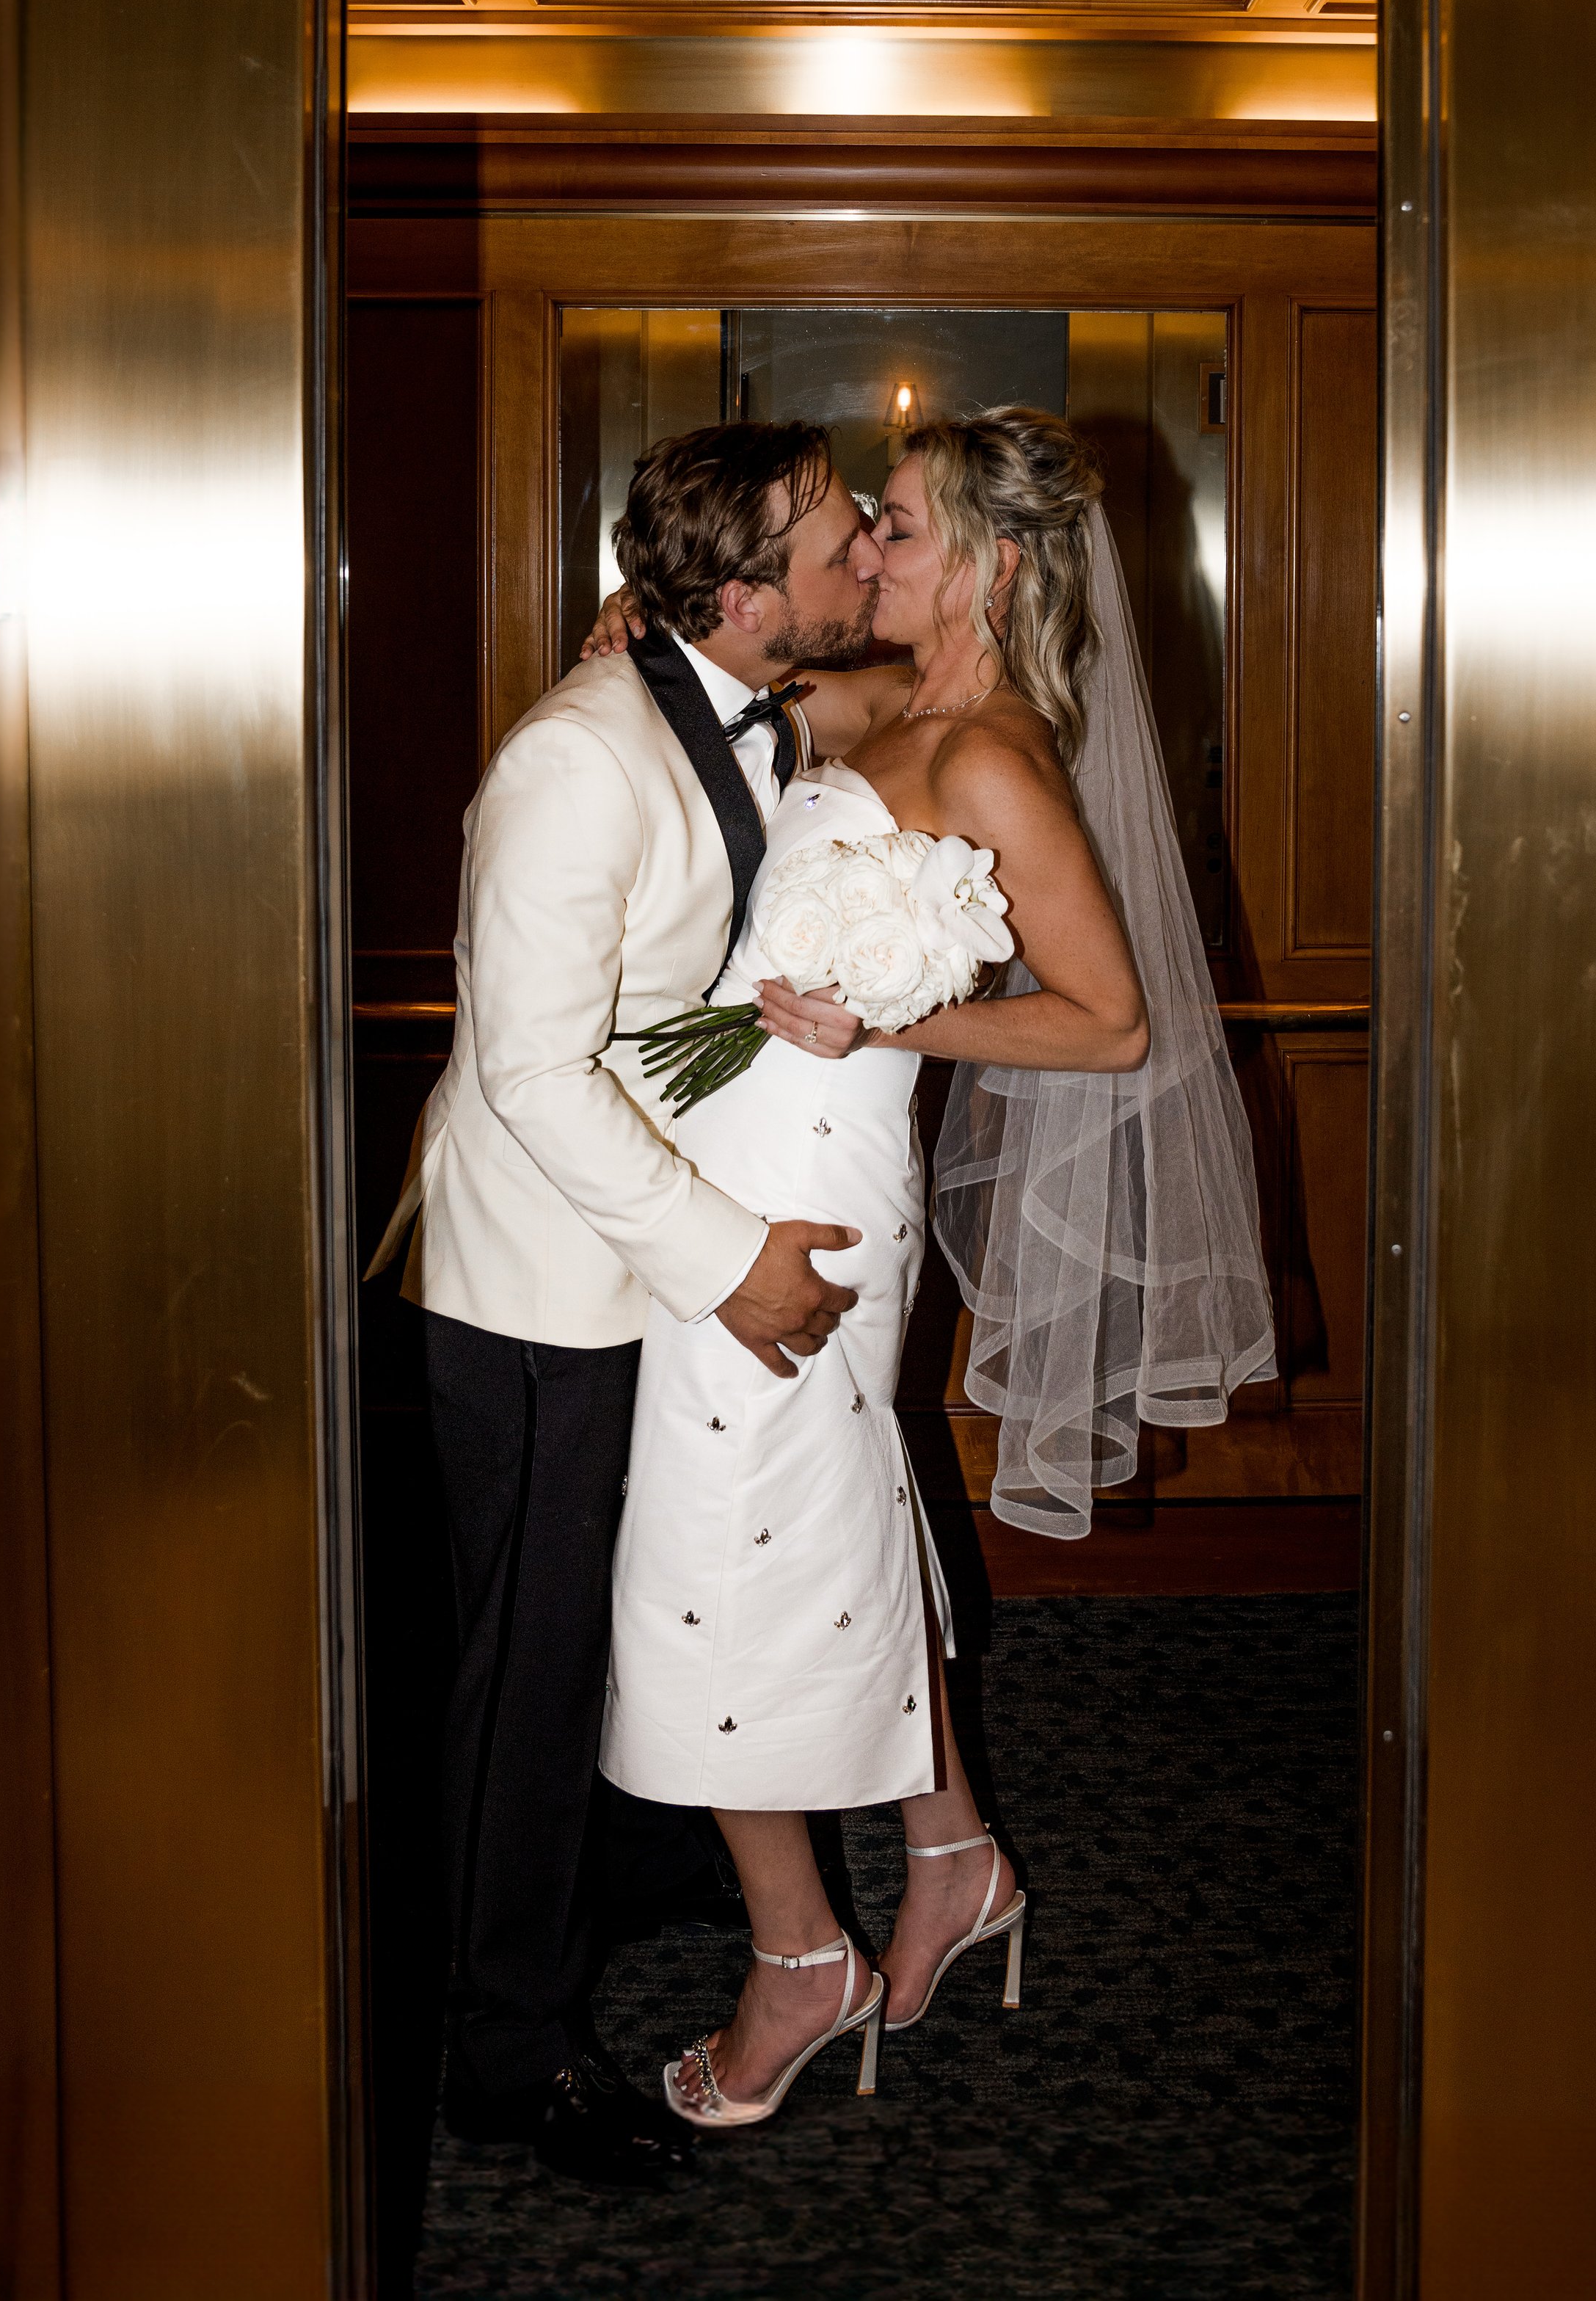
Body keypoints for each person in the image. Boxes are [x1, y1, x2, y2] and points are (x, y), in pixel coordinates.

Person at [584, 407, 1276, 2129]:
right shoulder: (889, 706)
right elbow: (718, 690)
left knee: (720, 1547)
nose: (869, 554)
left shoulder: (989, 760)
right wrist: (635, 634)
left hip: (809, 1199)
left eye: (894, 527)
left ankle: (797, 1959)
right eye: (871, 528)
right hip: (740, 1156)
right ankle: (951, 1855)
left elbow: (1111, 1024)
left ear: (992, 560)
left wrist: (899, 1009)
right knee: (822, 1520)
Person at [368, 420, 886, 2190]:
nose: (862, 560)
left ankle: (623, 1867)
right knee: (520, 1675)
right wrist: (726, 1257)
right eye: (834, 541)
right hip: (531, 1288)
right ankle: (500, 2052)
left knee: (612, 1612)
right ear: (741, 594)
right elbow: (527, 1070)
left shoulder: (730, 696)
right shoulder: (576, 761)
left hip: (628, 1266)